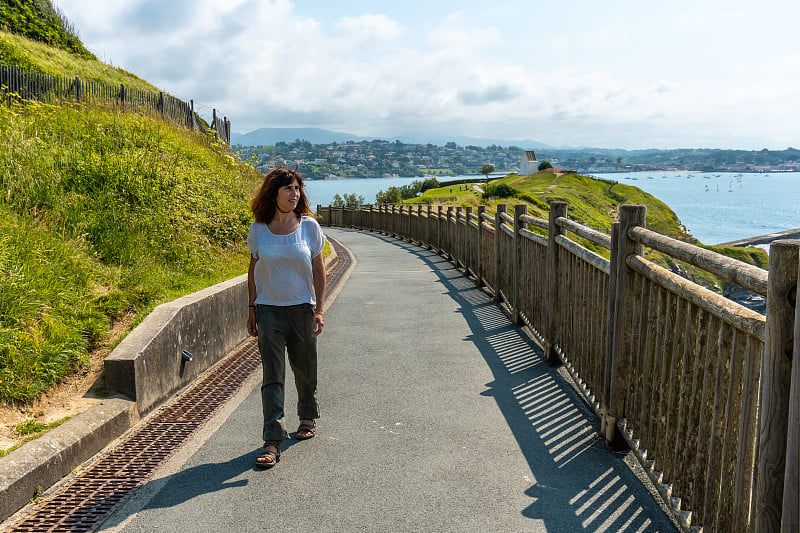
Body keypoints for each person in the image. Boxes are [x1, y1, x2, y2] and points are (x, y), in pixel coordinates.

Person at [246, 166, 326, 468]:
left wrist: (319, 309)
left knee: (305, 368)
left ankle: (307, 416)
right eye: (288, 189)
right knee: (272, 375)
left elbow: (318, 270)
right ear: (274, 193)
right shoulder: (259, 229)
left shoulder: (309, 227)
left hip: (302, 308)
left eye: (297, 189)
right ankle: (272, 439)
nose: (295, 194)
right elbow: (253, 270)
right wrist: (251, 307)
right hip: (268, 310)